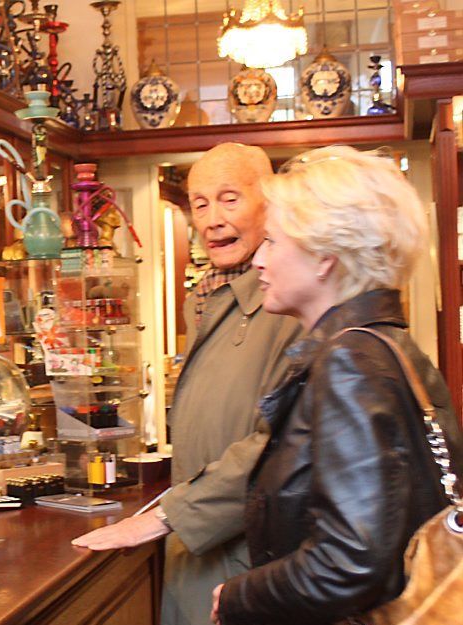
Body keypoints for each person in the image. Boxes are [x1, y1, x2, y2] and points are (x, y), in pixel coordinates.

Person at [210, 146, 463, 625]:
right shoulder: (386, 345)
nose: (258, 261)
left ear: (324, 255)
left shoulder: (350, 361)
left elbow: (349, 562)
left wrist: (238, 596)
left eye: (272, 242)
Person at [72, 143, 302, 625]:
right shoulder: (204, 298)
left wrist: (165, 517)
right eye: (200, 203)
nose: (213, 219)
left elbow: (275, 446)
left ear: (270, 202)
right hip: (197, 552)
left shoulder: (292, 307)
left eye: (230, 199)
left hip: (246, 561)